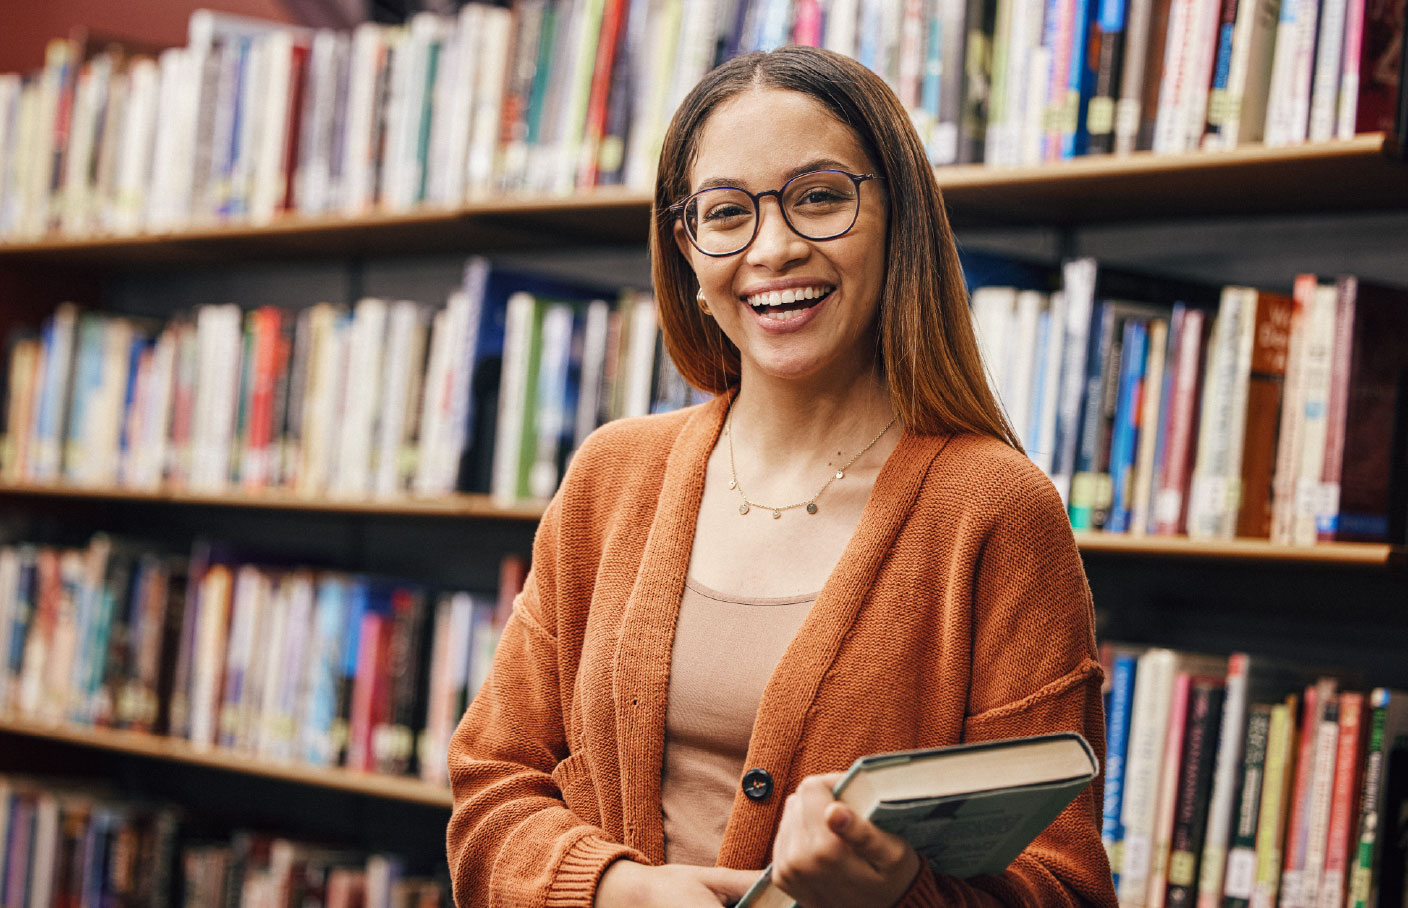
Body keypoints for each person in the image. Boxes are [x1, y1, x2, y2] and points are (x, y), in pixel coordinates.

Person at [446, 45, 1116, 908]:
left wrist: (896, 892)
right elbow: (490, 789)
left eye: (820, 198)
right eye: (726, 213)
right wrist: (621, 891)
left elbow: (1064, 888)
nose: (774, 249)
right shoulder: (612, 478)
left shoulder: (995, 510)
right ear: (686, 251)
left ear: (897, 218)